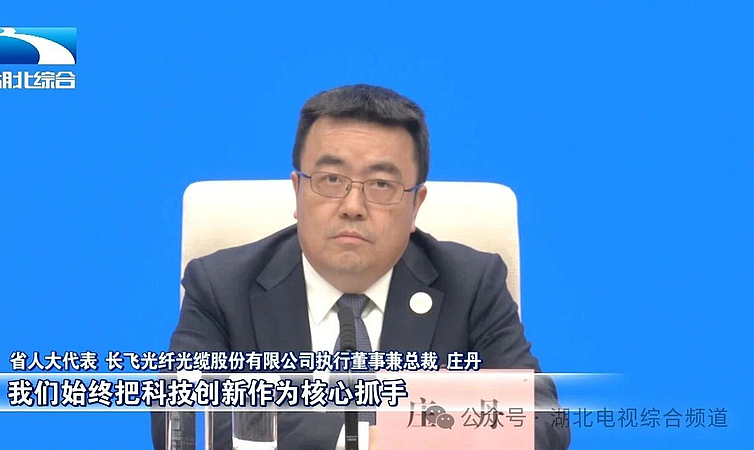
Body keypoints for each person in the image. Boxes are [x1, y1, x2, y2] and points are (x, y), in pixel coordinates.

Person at [152, 84, 571, 450]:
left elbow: (543, 421)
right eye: (331, 180)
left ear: (415, 206)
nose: (353, 207)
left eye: (382, 185)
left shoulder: (472, 284)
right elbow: (181, 418)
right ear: (297, 192)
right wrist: (363, 438)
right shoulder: (222, 286)